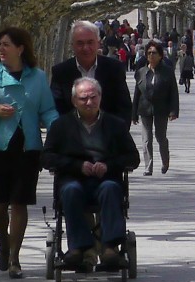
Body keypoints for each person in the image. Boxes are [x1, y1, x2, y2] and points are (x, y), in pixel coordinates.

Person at [0, 27, 57, 278]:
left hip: (28, 148)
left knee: (19, 202)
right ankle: (4, 241)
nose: (1, 49)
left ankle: (15, 257)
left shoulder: (38, 77)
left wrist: (58, 129)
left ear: (20, 48)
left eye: (6, 44)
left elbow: (48, 110)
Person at [47, 75, 140, 270]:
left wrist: (108, 165)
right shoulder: (61, 125)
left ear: (100, 97)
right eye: (83, 98)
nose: (89, 102)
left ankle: (109, 248)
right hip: (74, 179)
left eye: (93, 97)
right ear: (74, 100)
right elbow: (47, 157)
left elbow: (132, 157)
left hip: (105, 179)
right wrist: (77, 165)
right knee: (71, 190)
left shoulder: (115, 124)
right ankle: (78, 248)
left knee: (110, 188)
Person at [49, 20, 131, 119]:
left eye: (90, 42)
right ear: (72, 45)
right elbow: (56, 108)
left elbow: (124, 108)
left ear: (98, 43)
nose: (85, 48)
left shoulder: (114, 68)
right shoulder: (61, 72)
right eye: (80, 43)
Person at [133, 41, 179, 176]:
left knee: (160, 137)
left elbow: (173, 92)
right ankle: (148, 166)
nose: (151, 55)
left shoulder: (167, 72)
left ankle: (165, 161)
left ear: (160, 55)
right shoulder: (141, 72)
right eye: (149, 53)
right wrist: (133, 113)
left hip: (161, 109)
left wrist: (174, 111)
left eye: (154, 53)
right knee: (146, 138)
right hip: (144, 109)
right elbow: (137, 94)